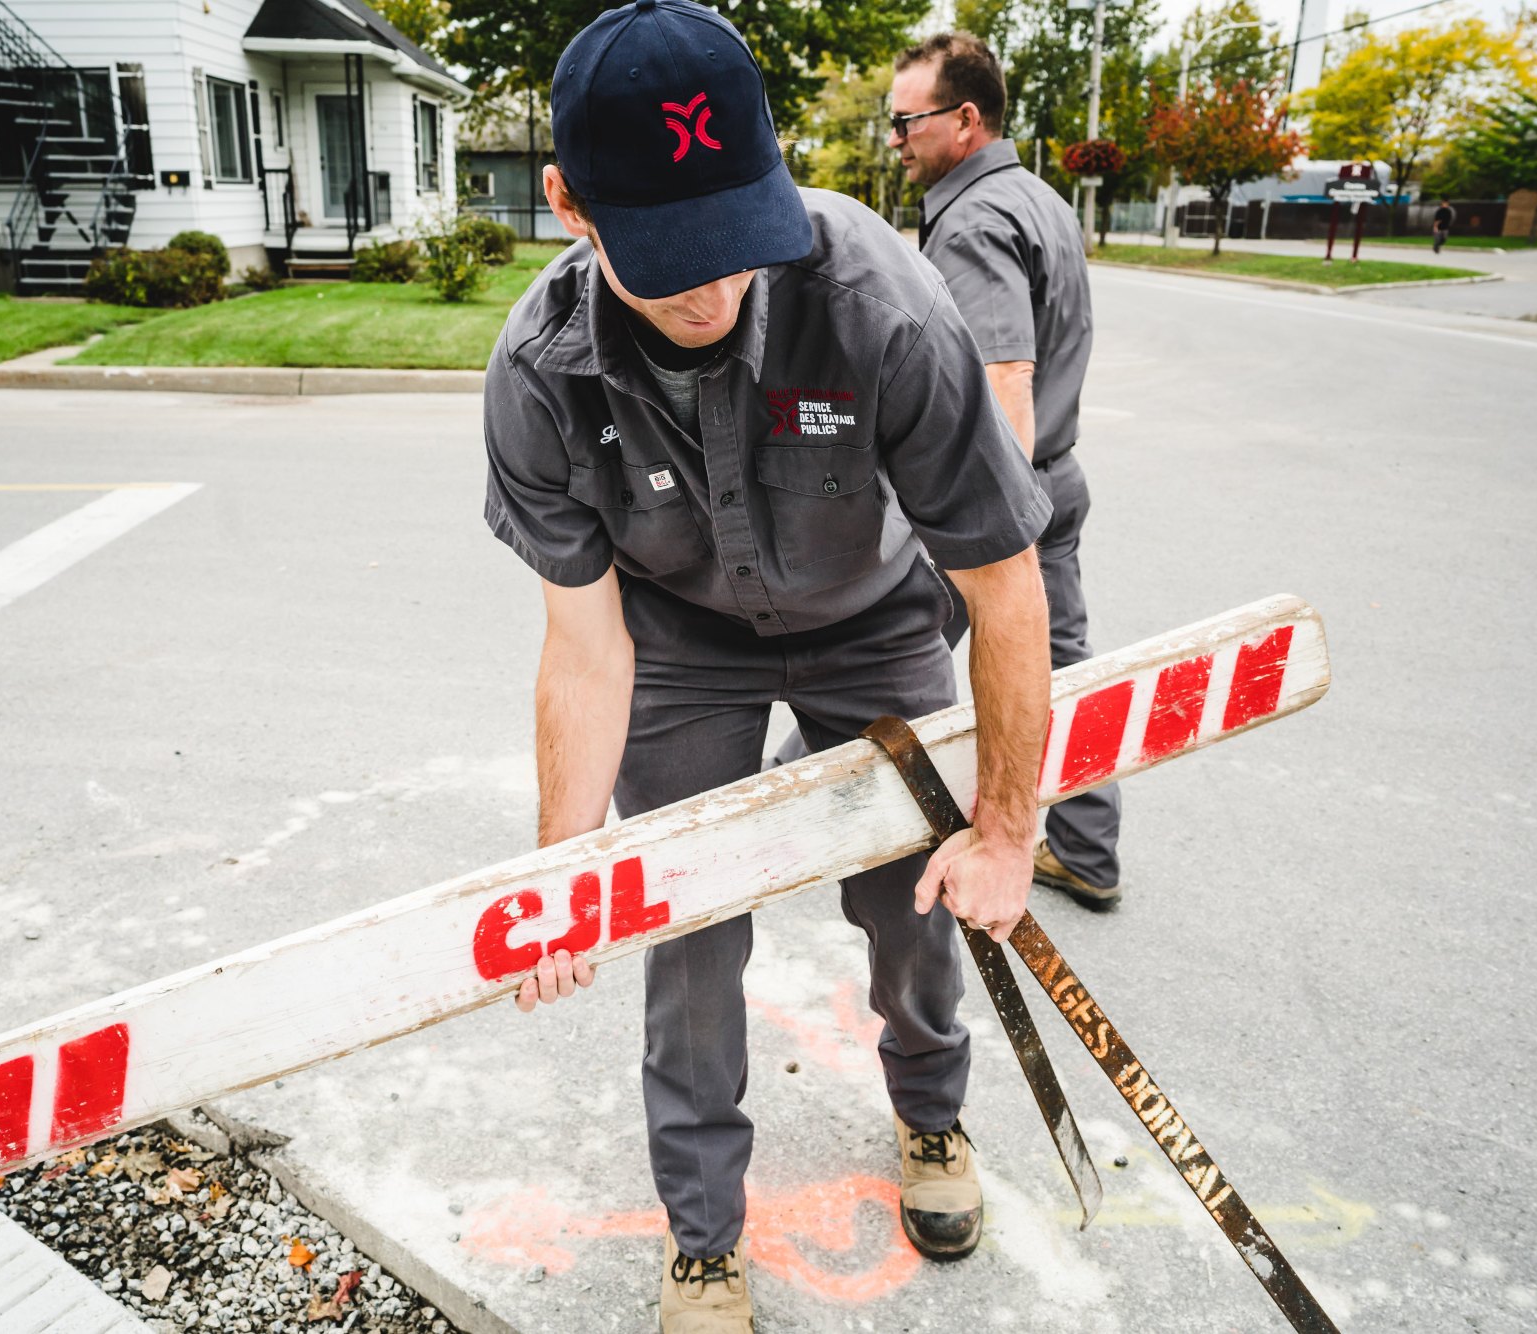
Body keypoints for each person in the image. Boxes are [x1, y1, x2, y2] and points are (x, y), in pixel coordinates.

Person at [480, 2, 1054, 1328]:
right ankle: (701, 1234)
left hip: (873, 615)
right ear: (569, 204)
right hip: (678, 639)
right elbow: (585, 646)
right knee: (687, 931)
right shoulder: (539, 372)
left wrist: (1007, 826)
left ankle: (931, 1113)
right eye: (670, 256)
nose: (712, 289)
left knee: (911, 903)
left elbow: (1003, 578)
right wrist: (564, 866)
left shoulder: (879, 303)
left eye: (735, 238)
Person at [886, 31, 1124, 912]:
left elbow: (1005, 377)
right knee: (1057, 668)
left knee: (889, 647)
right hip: (1055, 480)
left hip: (1001, 498)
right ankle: (1088, 850)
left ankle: (807, 802)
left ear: (965, 119)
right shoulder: (1037, 197)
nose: (896, 138)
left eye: (906, 121)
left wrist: (993, 528)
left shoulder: (976, 219)